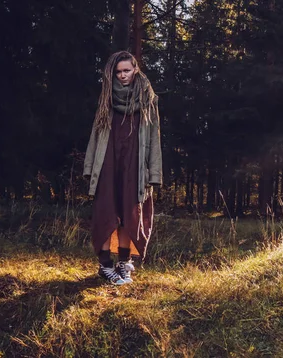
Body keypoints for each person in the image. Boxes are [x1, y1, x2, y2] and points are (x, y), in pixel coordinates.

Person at [84, 51, 162, 285]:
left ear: (135, 69)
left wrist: (154, 173)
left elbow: (155, 138)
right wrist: (90, 167)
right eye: (118, 72)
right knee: (107, 210)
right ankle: (105, 265)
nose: (122, 75)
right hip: (108, 161)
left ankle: (123, 264)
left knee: (130, 212)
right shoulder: (106, 97)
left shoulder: (148, 99)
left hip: (135, 165)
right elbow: (96, 133)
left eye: (126, 70)